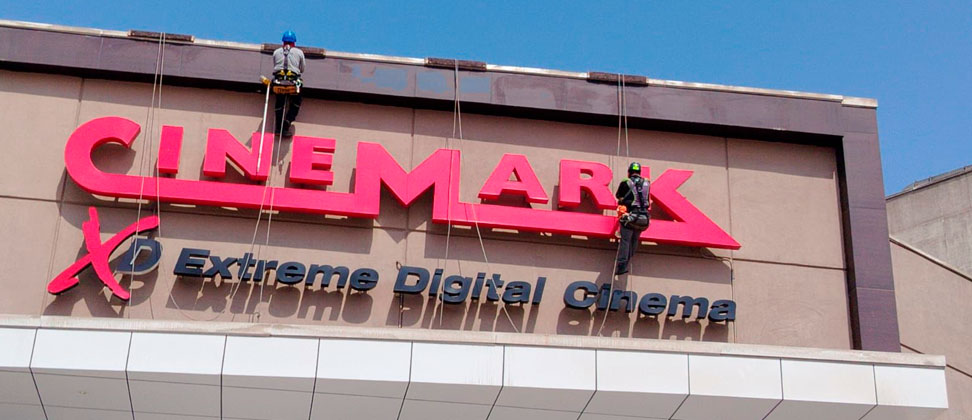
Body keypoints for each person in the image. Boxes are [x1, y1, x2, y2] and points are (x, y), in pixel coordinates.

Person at [614, 162, 651, 275]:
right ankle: (627, 262)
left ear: (629, 172)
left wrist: (623, 201)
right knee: (634, 240)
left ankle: (622, 265)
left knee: (625, 240)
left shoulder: (626, 182)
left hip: (631, 217)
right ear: (640, 172)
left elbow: (618, 196)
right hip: (644, 218)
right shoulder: (647, 182)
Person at [272, 30, 305, 136]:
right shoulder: (299, 53)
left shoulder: (276, 52)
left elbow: (275, 65)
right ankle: (287, 123)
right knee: (296, 102)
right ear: (294, 42)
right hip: (292, 83)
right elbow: (302, 69)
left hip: (278, 83)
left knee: (279, 104)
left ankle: (278, 128)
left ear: (283, 41)